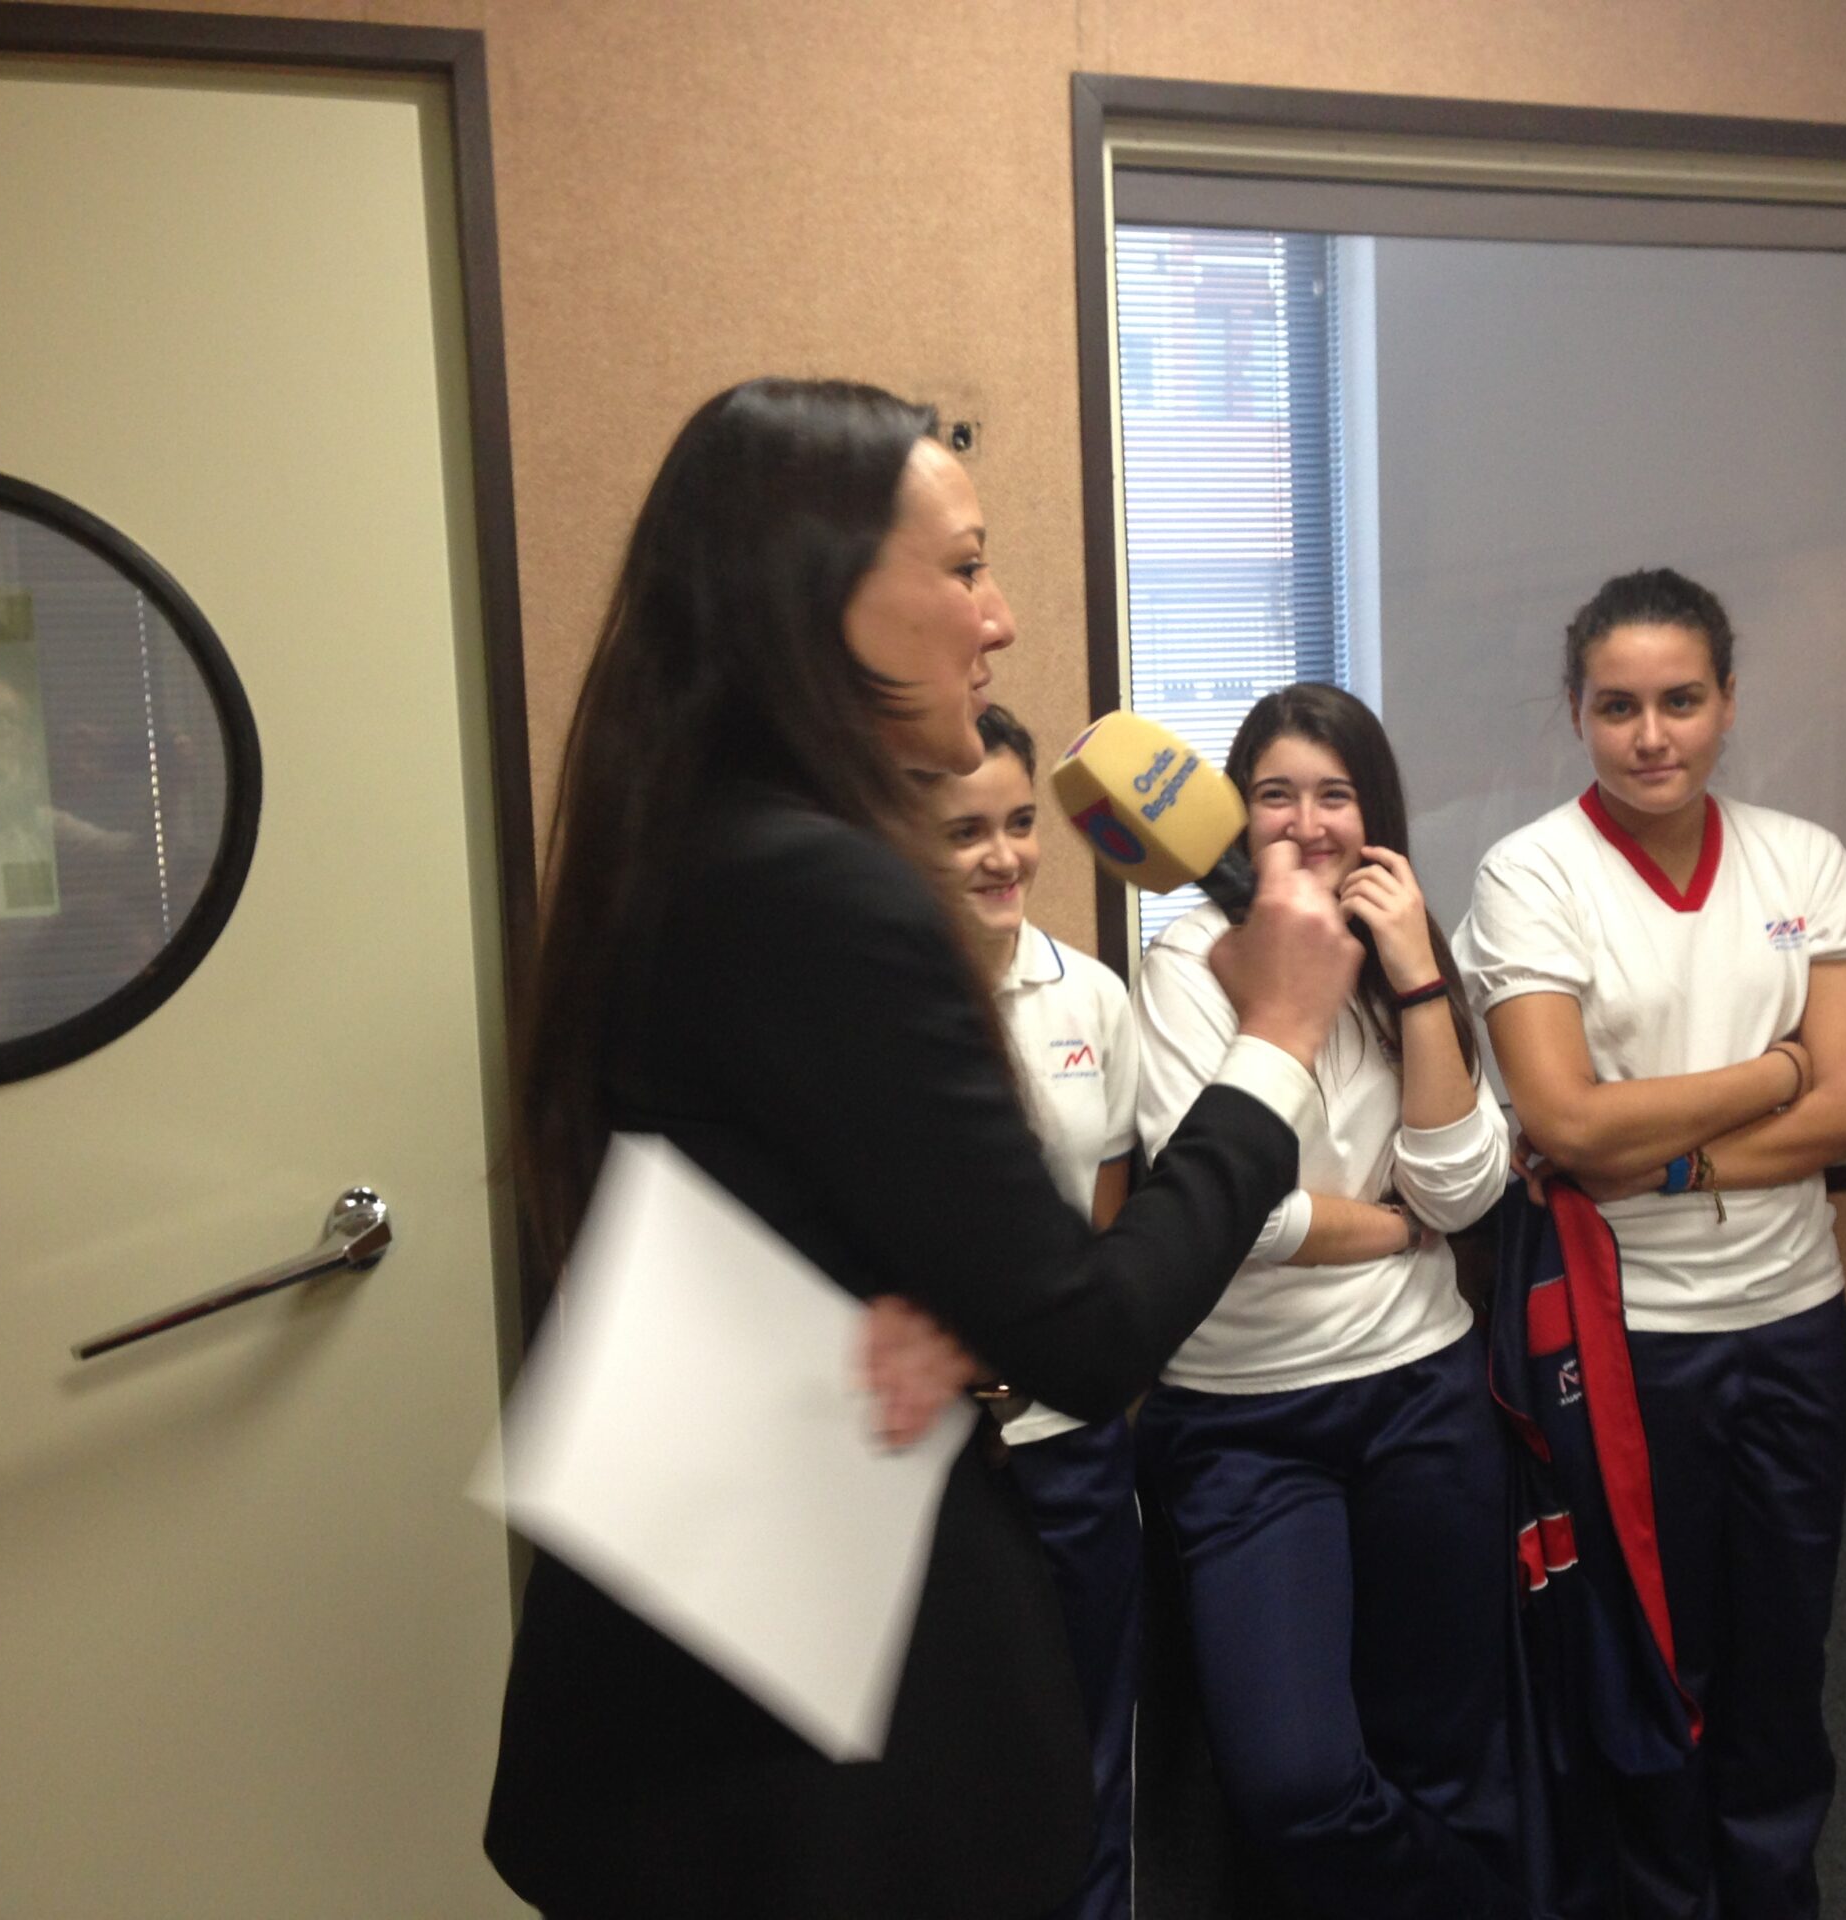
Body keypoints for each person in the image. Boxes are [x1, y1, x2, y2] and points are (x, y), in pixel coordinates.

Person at [479, 378, 1361, 1920]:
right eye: (963, 568)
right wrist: (1275, 1041)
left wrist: (931, 1306)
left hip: (692, 1674)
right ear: (817, 596)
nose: (999, 618)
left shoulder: (677, 834)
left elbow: (764, 1206)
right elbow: (1090, 1337)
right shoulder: (826, 890)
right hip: (811, 1714)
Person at [1455, 567, 1846, 1920]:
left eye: (1682, 701)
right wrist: (1778, 1072)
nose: (1653, 736)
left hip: (1796, 1321)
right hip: (1627, 1339)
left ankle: (1771, 1894)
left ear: (1729, 701)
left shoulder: (1804, 860)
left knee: (1783, 1651)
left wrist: (1679, 1155)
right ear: (1575, 712)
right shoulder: (1531, 872)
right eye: (1619, 706)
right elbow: (1568, 1122)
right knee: (1653, 1655)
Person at [1129, 682, 1518, 1919]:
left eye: (1334, 795)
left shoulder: (1406, 954)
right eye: (1275, 796)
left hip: (1423, 1396)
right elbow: (1232, 1218)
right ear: (1233, 818)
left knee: (1444, 1753)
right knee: (1291, 1780)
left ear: (1374, 815)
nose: (1306, 823)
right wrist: (1389, 1226)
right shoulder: (1191, 961)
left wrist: (1414, 977)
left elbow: (1462, 1191)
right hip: (1242, 1423)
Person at [923, 700, 1144, 1920]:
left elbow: (1100, 1233)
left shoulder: (1091, 998)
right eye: (965, 832)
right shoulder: (870, 1008)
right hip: (925, 1459)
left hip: (1068, 1447)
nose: (1002, 856)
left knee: (1090, 1761)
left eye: (1018, 823)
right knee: (950, 1786)